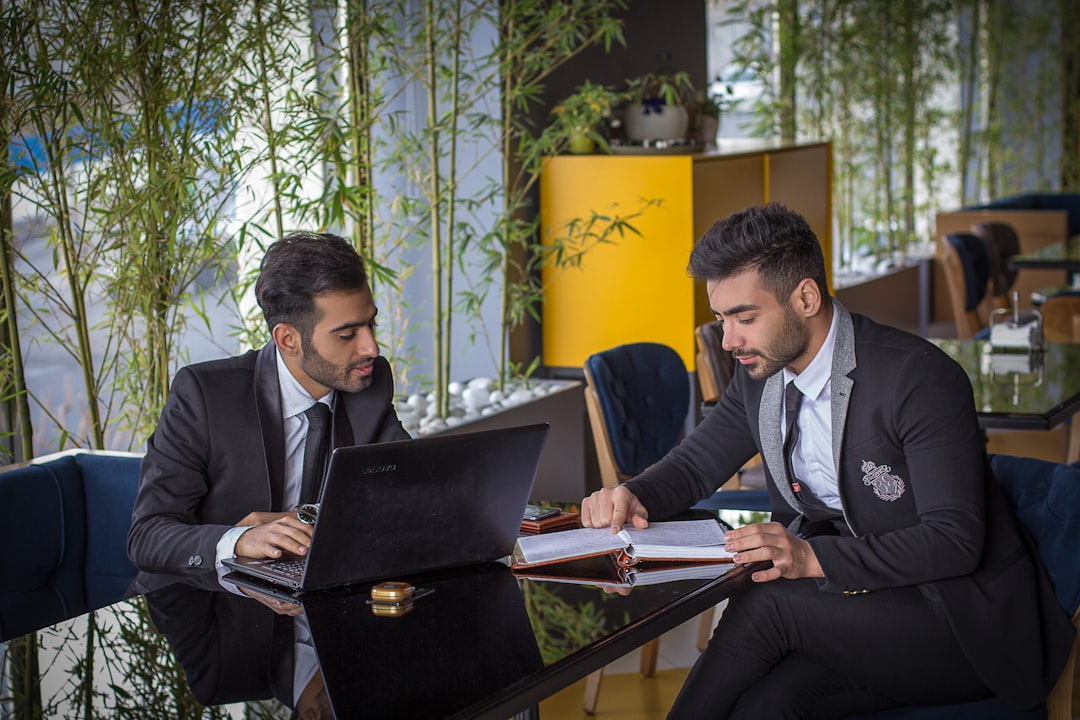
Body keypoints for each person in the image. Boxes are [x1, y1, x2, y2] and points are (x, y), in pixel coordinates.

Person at [580, 204, 1075, 718]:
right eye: (722, 319)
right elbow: (693, 467)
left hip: (964, 621)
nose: (729, 342)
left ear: (806, 297)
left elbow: (954, 541)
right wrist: (632, 496)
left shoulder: (919, 378)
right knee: (768, 706)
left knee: (767, 602)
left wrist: (810, 558)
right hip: (862, 610)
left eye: (745, 318)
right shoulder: (760, 377)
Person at [128, 232, 409, 577]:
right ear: (287, 339)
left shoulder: (369, 382)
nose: (371, 348)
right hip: (211, 605)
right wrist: (240, 539)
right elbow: (148, 536)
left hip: (319, 593)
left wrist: (309, 516)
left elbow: (411, 495)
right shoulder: (205, 396)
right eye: (347, 334)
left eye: (372, 324)